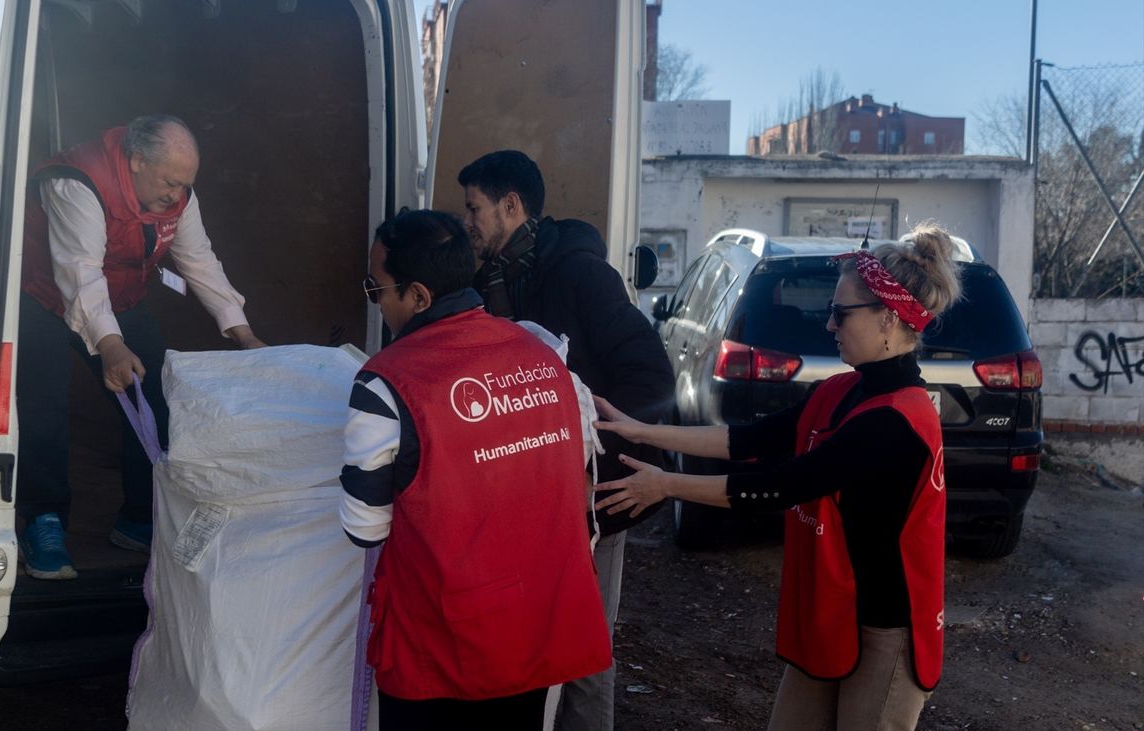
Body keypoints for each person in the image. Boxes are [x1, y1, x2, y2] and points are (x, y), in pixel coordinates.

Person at [592, 223, 963, 730]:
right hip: (833, 612)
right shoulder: (842, 390)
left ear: (888, 319)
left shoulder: (897, 421)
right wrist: (643, 431)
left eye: (839, 313)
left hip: (885, 630)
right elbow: (746, 440)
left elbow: (785, 484)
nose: (829, 325)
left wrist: (665, 484)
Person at [339, 210, 611, 730]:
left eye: (376, 287)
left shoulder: (386, 382)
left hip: (445, 644)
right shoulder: (544, 356)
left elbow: (364, 528)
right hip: (541, 624)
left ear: (418, 296)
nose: (374, 299)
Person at [457, 150, 674, 730]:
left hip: (595, 501)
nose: (468, 221)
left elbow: (651, 378)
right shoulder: (491, 282)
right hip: (528, 496)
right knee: (531, 640)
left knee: (582, 653)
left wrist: (597, 469)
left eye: (474, 208)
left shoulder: (580, 275)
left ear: (510, 205)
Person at [17, 115, 265, 580]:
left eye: (185, 184)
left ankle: (138, 519)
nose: (177, 194)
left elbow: (197, 260)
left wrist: (242, 332)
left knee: (155, 401)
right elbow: (80, 275)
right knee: (42, 411)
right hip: (43, 300)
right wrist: (110, 345)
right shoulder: (77, 181)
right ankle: (42, 522)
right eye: (171, 182)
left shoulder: (178, 195)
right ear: (136, 161)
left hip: (124, 299)